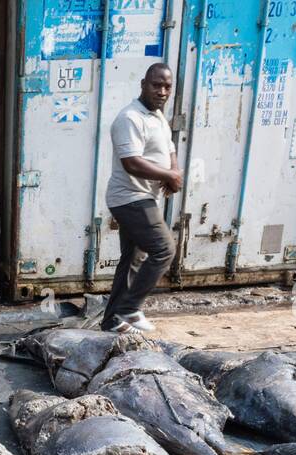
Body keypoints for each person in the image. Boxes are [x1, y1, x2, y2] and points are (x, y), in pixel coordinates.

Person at [101, 63, 182, 333]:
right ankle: (129, 308)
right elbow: (131, 163)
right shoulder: (130, 118)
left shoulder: (158, 117)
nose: (162, 91)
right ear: (143, 84)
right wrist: (167, 176)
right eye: (156, 85)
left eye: (167, 86)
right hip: (130, 197)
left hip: (145, 196)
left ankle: (112, 321)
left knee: (133, 258)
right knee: (164, 249)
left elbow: (169, 150)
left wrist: (173, 172)